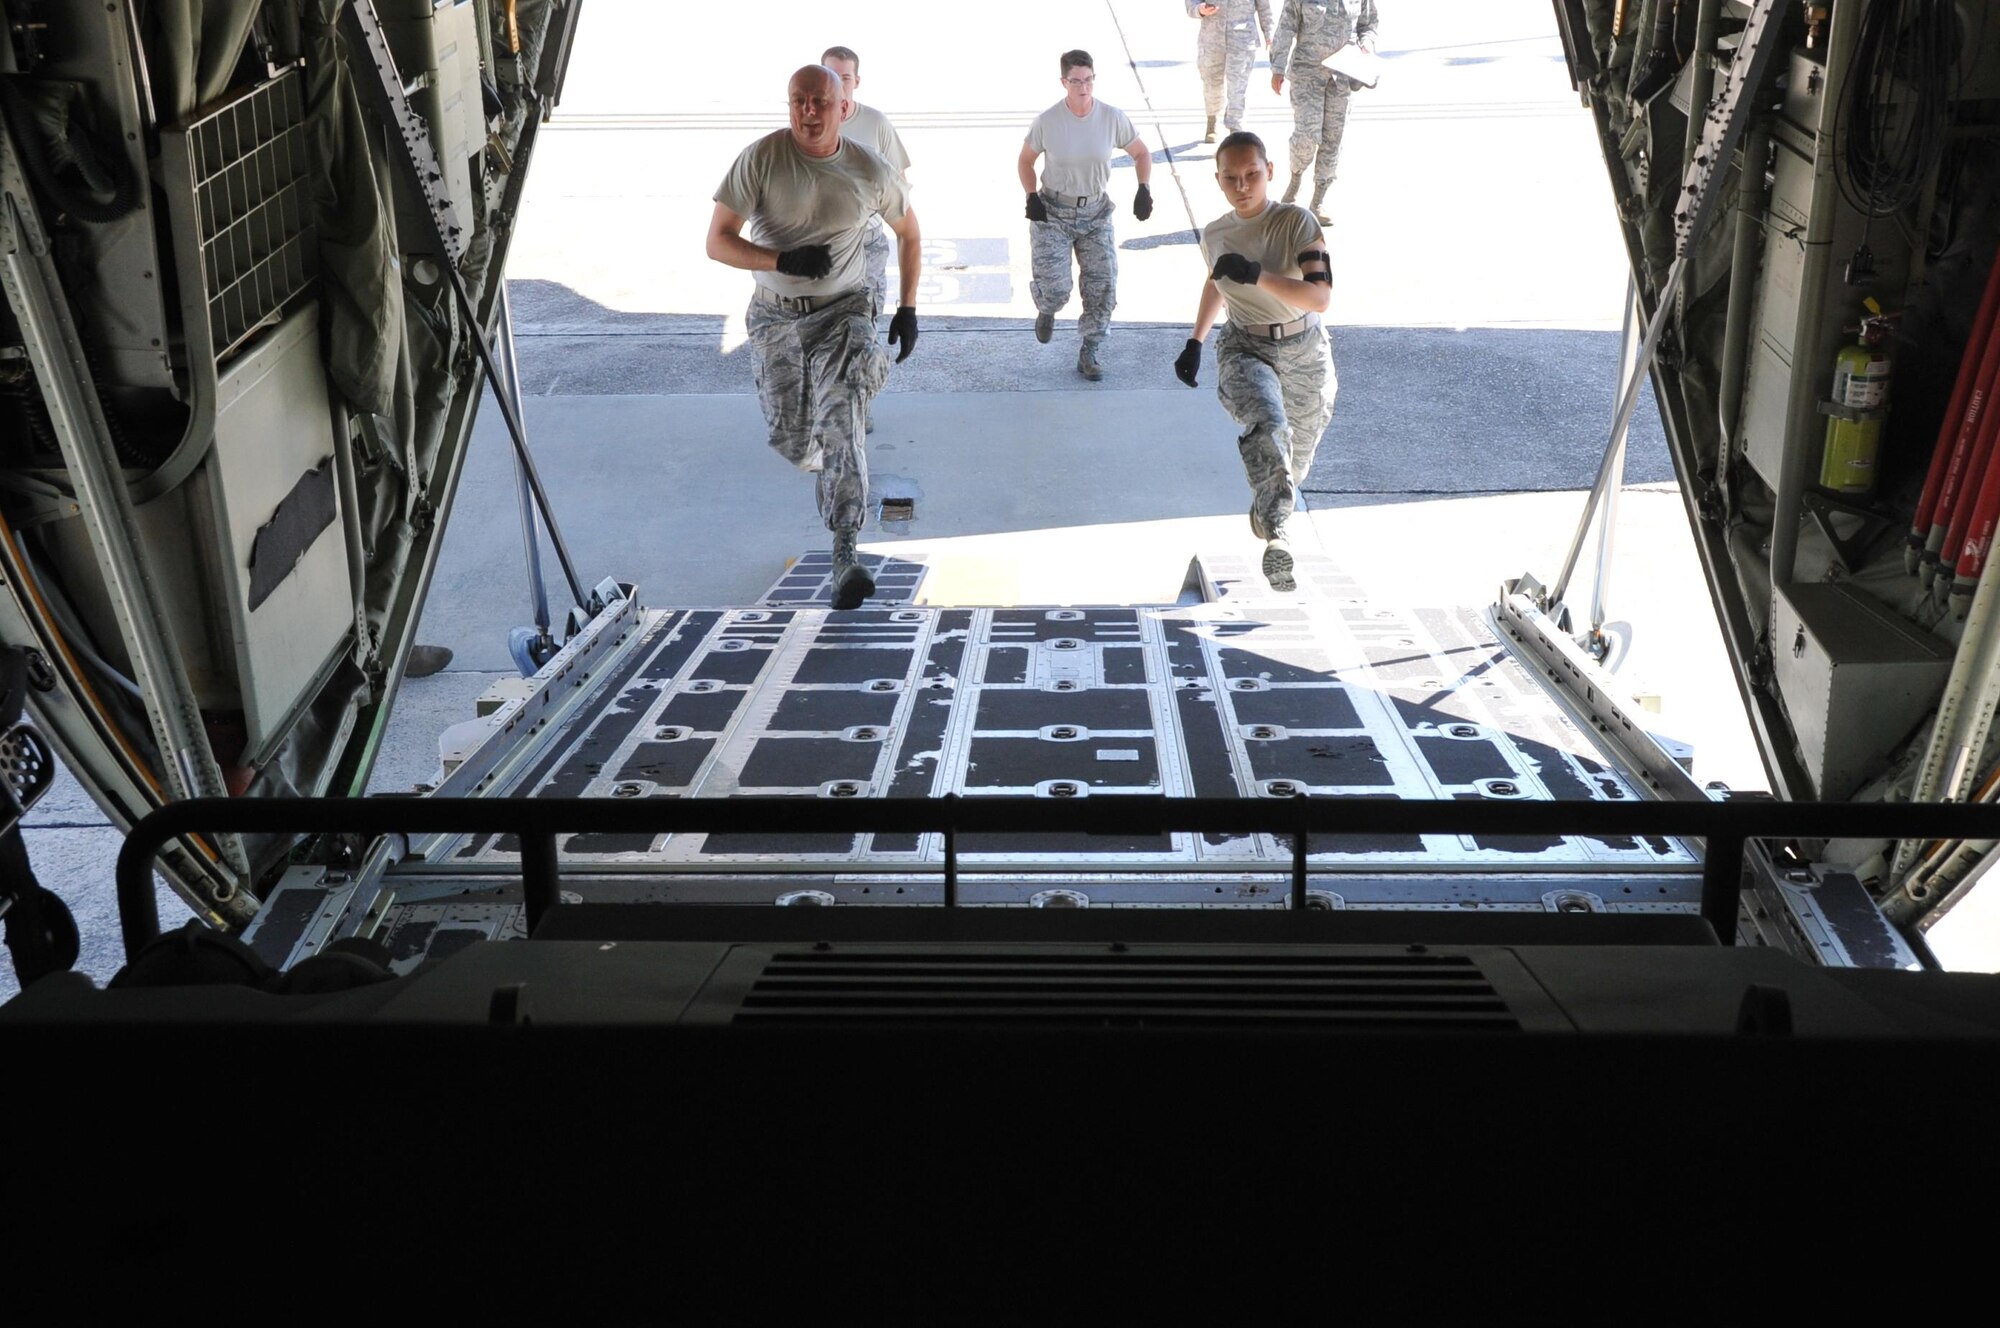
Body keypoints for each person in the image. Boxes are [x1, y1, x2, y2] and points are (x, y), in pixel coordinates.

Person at [707, 65, 922, 610]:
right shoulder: (761, 158)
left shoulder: (868, 169)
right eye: (799, 101)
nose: (808, 111)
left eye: (819, 102)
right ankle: (833, 443)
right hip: (774, 316)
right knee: (792, 436)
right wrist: (778, 259)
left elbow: (910, 232)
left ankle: (846, 549)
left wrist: (908, 307)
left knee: (841, 417)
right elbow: (718, 242)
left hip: (843, 312)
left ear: (841, 108)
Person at [1172, 131, 1335, 592]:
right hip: (1245, 347)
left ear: (1270, 172)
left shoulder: (1297, 223)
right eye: (1231, 178)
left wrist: (1258, 275)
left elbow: (1320, 297)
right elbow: (1216, 283)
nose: (1242, 185)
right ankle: (1279, 539)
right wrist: (1196, 341)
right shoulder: (1216, 234)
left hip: (1305, 351)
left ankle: (1268, 513)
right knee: (1268, 425)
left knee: (1293, 462)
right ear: (1219, 180)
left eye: (1251, 175)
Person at [1017, 49, 1154, 382]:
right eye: (1076, 81)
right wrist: (1031, 195)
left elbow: (1141, 152)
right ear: (1063, 82)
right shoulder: (1048, 121)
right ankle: (1046, 308)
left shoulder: (1111, 117)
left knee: (1103, 286)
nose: (1083, 87)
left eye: (1088, 79)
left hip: (1095, 214)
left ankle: (1089, 351)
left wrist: (1144, 188)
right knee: (1056, 290)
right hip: (1053, 213)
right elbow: (1025, 160)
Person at [822, 45, 911, 326]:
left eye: (845, 78)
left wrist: (909, 308)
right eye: (831, 75)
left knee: (865, 324)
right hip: (823, 243)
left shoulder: (876, 123)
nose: (838, 83)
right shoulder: (810, 121)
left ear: (856, 82)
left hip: (867, 242)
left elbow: (899, 186)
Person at [1270, 0, 1379, 224]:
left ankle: (1318, 199)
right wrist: (1278, 67)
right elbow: (1286, 26)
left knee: (1333, 139)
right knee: (1307, 135)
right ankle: (1296, 177)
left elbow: (1368, 24)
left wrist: (1367, 44)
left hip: (1342, 77)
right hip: (1306, 75)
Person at [1187, 0, 1274, 144]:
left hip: (1242, 40)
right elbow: (1191, 4)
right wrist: (1199, 10)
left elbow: (1264, 6)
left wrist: (1269, 33)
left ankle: (1235, 129)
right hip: (1211, 39)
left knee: (1238, 87)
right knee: (1211, 84)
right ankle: (1212, 119)